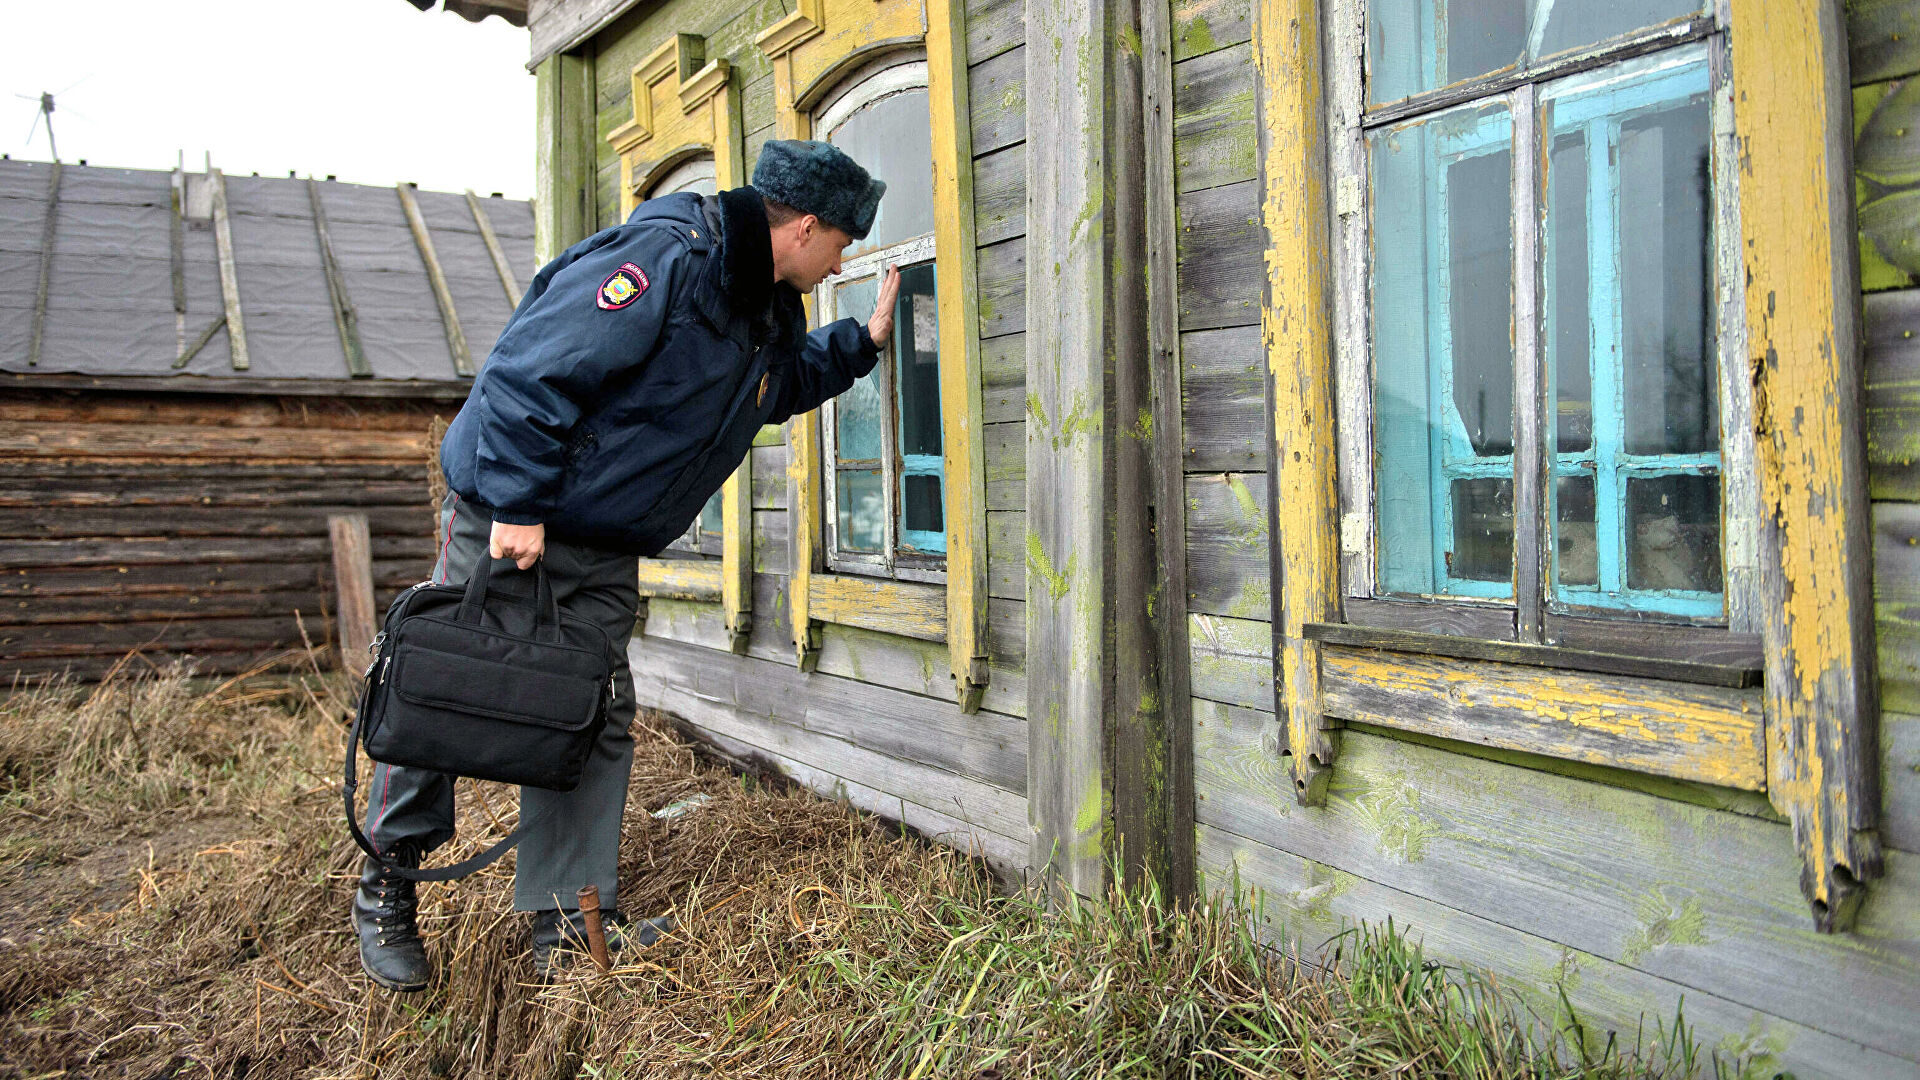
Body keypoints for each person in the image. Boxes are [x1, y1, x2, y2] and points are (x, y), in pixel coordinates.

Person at [352, 140, 901, 991]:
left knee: (595, 712)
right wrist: (521, 501)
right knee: (445, 685)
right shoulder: (668, 260)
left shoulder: (763, 304)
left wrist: (855, 347)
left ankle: (568, 921)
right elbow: (529, 371)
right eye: (844, 240)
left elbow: (762, 392)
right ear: (802, 227)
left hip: (605, 542)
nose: (848, 256)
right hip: (516, 516)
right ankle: (389, 882)